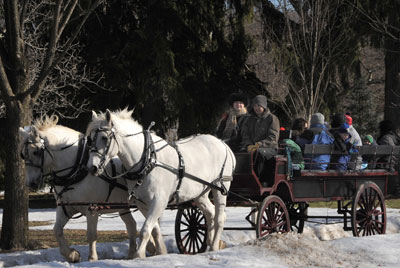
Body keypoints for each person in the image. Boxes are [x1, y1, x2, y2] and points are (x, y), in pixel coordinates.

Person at [240, 95, 280, 185]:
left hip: (270, 147)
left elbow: (273, 137)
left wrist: (259, 144)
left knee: (259, 153)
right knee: (240, 153)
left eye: (258, 105)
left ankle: (258, 180)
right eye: (254, 106)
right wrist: (248, 145)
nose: (256, 108)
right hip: (252, 146)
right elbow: (245, 134)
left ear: (264, 106)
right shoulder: (248, 119)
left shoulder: (272, 119)